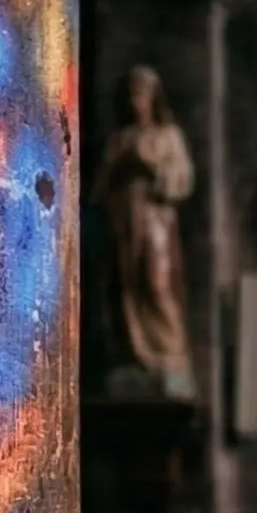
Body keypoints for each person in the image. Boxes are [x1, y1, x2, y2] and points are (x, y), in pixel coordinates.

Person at [95, 66, 196, 397]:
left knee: (156, 282)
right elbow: (99, 188)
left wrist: (149, 166)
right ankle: (134, 354)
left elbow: (181, 180)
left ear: (153, 99)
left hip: (155, 225)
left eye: (140, 95)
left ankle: (167, 354)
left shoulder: (167, 137)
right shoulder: (120, 140)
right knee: (126, 287)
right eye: (130, 96)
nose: (134, 103)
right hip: (123, 225)